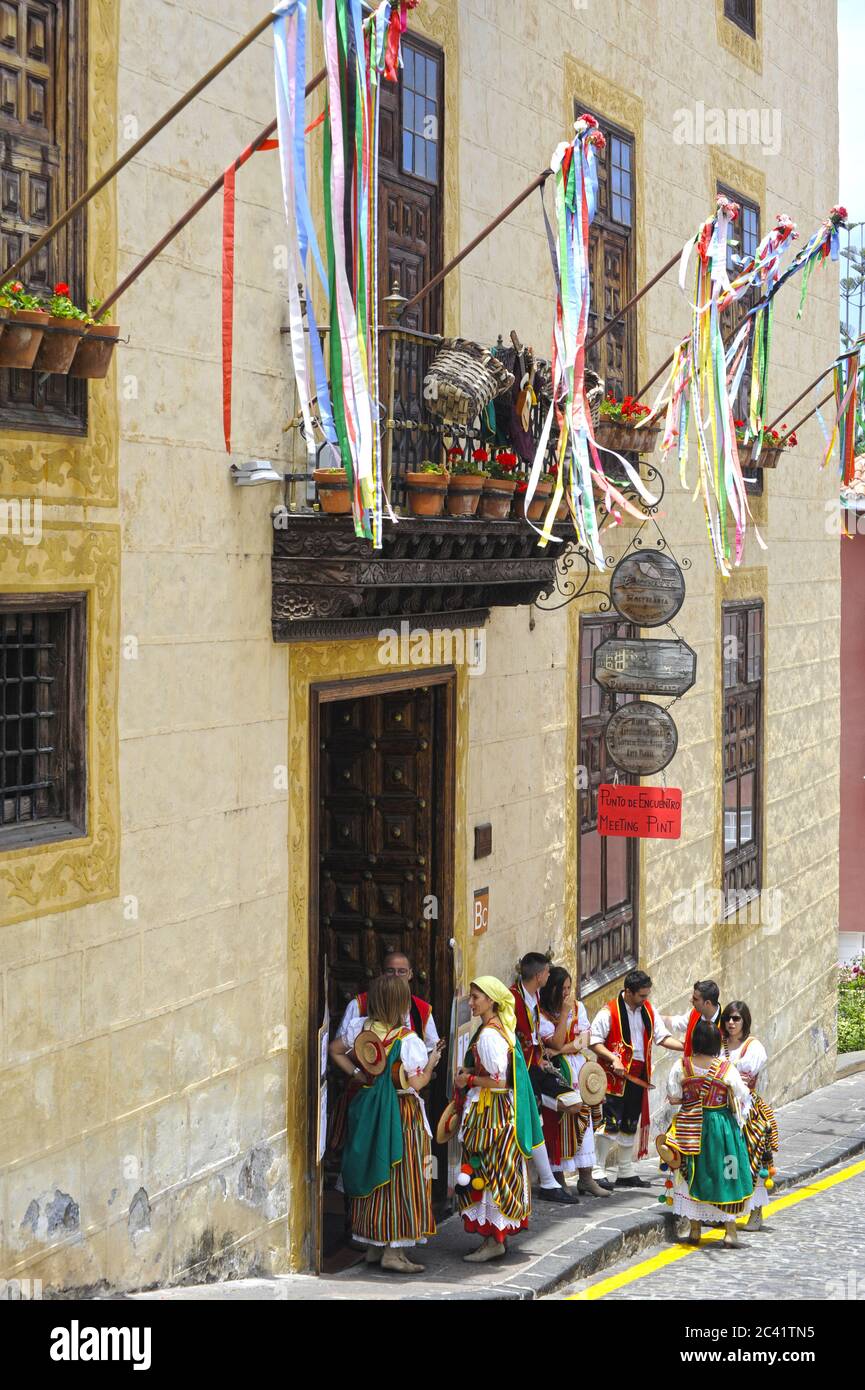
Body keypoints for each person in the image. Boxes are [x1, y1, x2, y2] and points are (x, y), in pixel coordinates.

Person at [330, 974, 444, 1273]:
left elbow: (334, 1050)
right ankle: (394, 1252)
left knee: (371, 1168)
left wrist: (357, 1075)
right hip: (401, 1114)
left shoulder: (360, 1028)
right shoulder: (408, 1041)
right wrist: (432, 1064)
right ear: (401, 1003)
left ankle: (371, 1245)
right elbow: (416, 1083)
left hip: (366, 1108)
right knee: (404, 1176)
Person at [453, 976, 542, 1263]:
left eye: (476, 997)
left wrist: (467, 1078)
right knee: (493, 1170)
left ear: (491, 1000)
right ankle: (493, 1239)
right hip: (499, 1111)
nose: (471, 1003)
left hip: (492, 1115)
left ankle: (494, 1240)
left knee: (490, 1170)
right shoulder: (499, 1029)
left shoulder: (491, 1035)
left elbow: (497, 1080)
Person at [660, 1019, 754, 1248]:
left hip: (689, 1127)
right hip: (721, 1126)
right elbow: (742, 1093)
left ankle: (694, 1229)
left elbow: (673, 1093)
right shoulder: (726, 1068)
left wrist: (684, 1098)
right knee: (726, 1173)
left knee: (690, 1170)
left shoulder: (681, 1066)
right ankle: (730, 1231)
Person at [590, 968, 684, 1188]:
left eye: (646, 995)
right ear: (628, 992)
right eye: (642, 995)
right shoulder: (609, 1012)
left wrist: (687, 1047)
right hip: (614, 1076)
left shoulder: (648, 1010)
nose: (645, 999)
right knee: (610, 1123)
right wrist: (613, 1058)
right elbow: (593, 1041)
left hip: (639, 1075)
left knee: (631, 1122)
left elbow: (662, 1038)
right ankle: (597, 1170)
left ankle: (625, 1170)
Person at [511, 952, 581, 1205]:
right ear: (540, 975)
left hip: (536, 1066)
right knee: (533, 1121)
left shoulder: (534, 997)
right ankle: (548, 1182)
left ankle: (549, 1181)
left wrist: (539, 1055)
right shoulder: (513, 999)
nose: (549, 976)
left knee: (573, 1102)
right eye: (548, 972)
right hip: (522, 1071)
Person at [539, 966, 611, 1198]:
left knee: (585, 1121)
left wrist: (564, 1048)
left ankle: (586, 1178)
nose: (567, 994)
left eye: (569, 988)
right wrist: (564, 1024)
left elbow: (584, 1040)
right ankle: (559, 1179)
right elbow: (557, 1041)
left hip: (579, 1070)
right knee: (559, 1123)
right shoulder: (542, 1015)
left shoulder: (578, 1007)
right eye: (563, 989)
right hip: (557, 1075)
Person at [721, 1000, 779, 1231]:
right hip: (722, 1110)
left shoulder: (753, 1047)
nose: (731, 1023)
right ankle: (725, 1211)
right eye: (728, 1018)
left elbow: (744, 1077)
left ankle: (755, 1212)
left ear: (745, 1021)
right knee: (726, 1161)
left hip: (746, 1110)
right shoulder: (720, 1044)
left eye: (736, 1018)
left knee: (752, 1159)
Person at [336, 951, 439, 1053]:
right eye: (390, 971)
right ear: (381, 973)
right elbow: (340, 1049)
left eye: (402, 971)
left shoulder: (422, 1009)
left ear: (410, 974)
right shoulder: (358, 1004)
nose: (396, 976)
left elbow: (432, 1049)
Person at [663, 980, 722, 1057]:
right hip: (690, 1067)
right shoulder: (694, 1013)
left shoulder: (727, 1024)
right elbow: (678, 1023)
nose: (691, 1000)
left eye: (695, 999)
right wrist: (655, 1017)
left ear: (707, 1003)